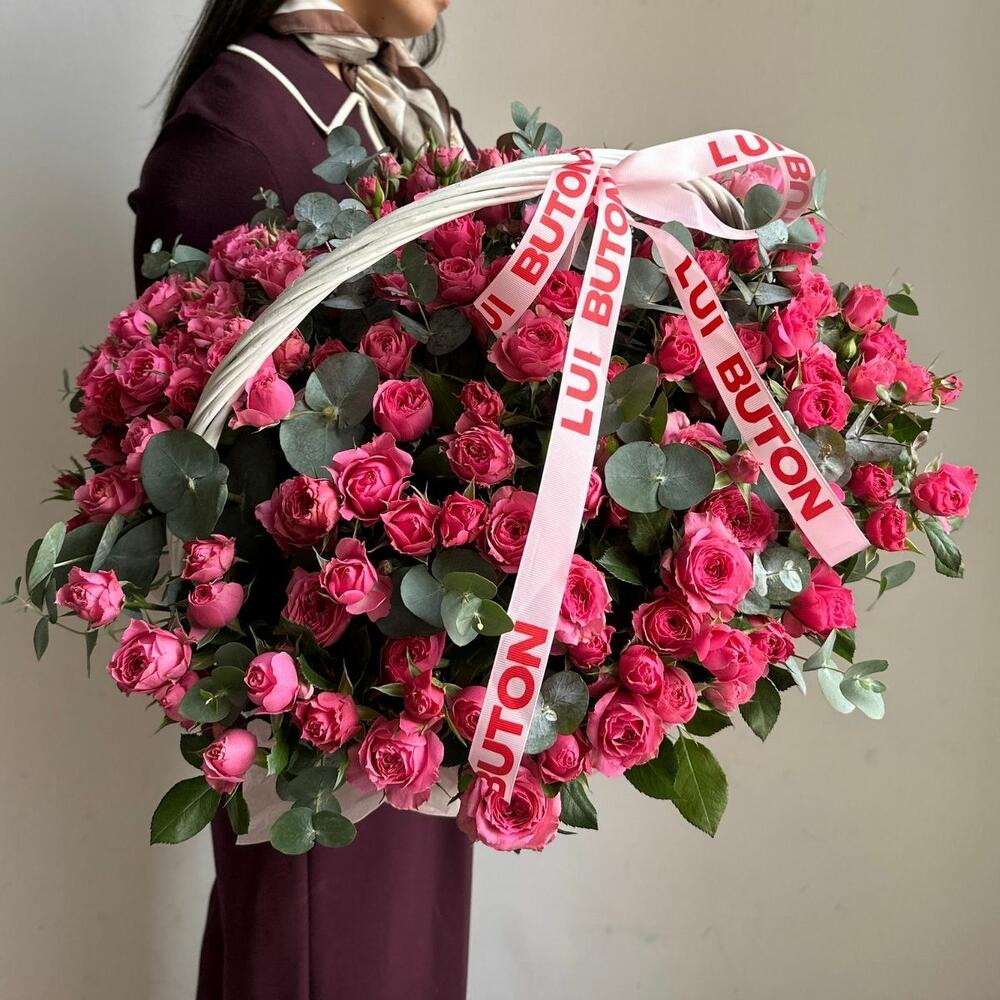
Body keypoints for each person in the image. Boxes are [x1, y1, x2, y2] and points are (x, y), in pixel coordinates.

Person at [129, 3, 475, 998]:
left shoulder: (401, 102)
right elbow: (196, 463)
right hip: (318, 702)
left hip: (415, 686)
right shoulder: (244, 119)